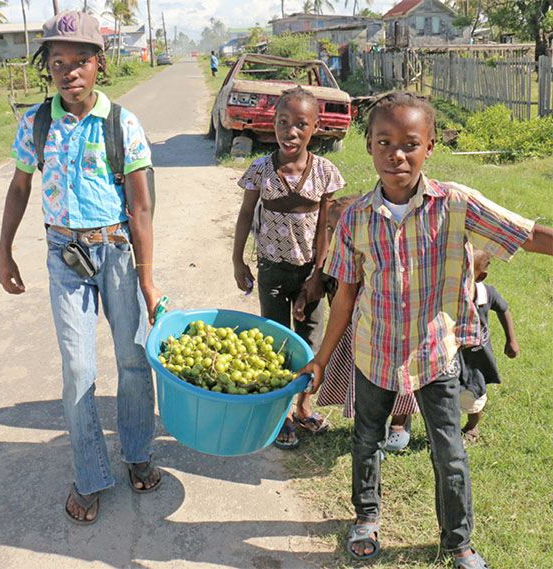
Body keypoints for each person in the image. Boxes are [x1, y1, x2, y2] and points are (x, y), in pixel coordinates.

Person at [299, 91, 553, 568]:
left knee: (450, 452)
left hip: (435, 354)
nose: (396, 154)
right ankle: (366, 517)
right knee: (365, 438)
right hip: (373, 353)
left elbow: (525, 233)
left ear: (429, 146)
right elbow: (346, 297)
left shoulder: (455, 203)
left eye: (409, 143)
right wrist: (320, 358)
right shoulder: (355, 217)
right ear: (369, 145)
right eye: (383, 142)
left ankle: (457, 542)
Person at [0, 11, 162, 525]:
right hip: (63, 256)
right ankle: (90, 473)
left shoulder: (121, 124)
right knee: (78, 368)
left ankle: (137, 452)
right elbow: (21, 185)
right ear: (47, 68)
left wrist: (147, 279)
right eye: (58, 62)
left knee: (133, 360)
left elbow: (140, 208)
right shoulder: (36, 122)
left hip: (115, 251)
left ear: (99, 65)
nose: (69, 72)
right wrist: (4, 250)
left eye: (81, 61)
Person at [232, 86, 346, 450]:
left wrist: (319, 274)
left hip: (311, 272)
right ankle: (280, 416)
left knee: (310, 341)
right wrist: (238, 259)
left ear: (316, 127)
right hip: (272, 269)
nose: (290, 131)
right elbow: (246, 215)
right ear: (273, 123)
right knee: (277, 340)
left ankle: (303, 407)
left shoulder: (325, 172)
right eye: (283, 122)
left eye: (301, 124)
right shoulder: (261, 169)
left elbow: (327, 225)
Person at [294, 195, 419, 452]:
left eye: (343, 228)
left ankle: (399, 421)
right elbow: (327, 292)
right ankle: (371, 430)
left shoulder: (380, 259)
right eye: (331, 228)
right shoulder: (333, 262)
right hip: (354, 335)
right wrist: (305, 298)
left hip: (390, 334)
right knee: (367, 389)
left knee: (399, 381)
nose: (338, 234)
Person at [459, 249, 519, 443]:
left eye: (465, 272)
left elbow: (504, 309)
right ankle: (445, 431)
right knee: (445, 394)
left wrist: (511, 339)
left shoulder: (487, 293)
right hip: (451, 356)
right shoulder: (447, 293)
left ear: (480, 276)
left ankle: (472, 426)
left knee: (475, 396)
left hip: (477, 357)